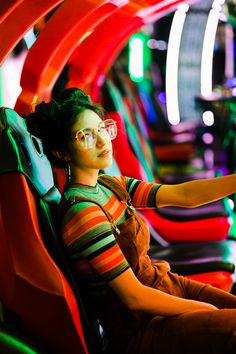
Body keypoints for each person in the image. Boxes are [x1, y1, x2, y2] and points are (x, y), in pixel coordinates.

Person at [26, 87, 236, 354]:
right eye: (85, 136)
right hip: (141, 326)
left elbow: (183, 195)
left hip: (166, 286)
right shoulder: (83, 212)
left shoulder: (110, 184)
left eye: (101, 129)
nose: (102, 141)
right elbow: (134, 297)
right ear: (63, 152)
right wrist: (203, 310)